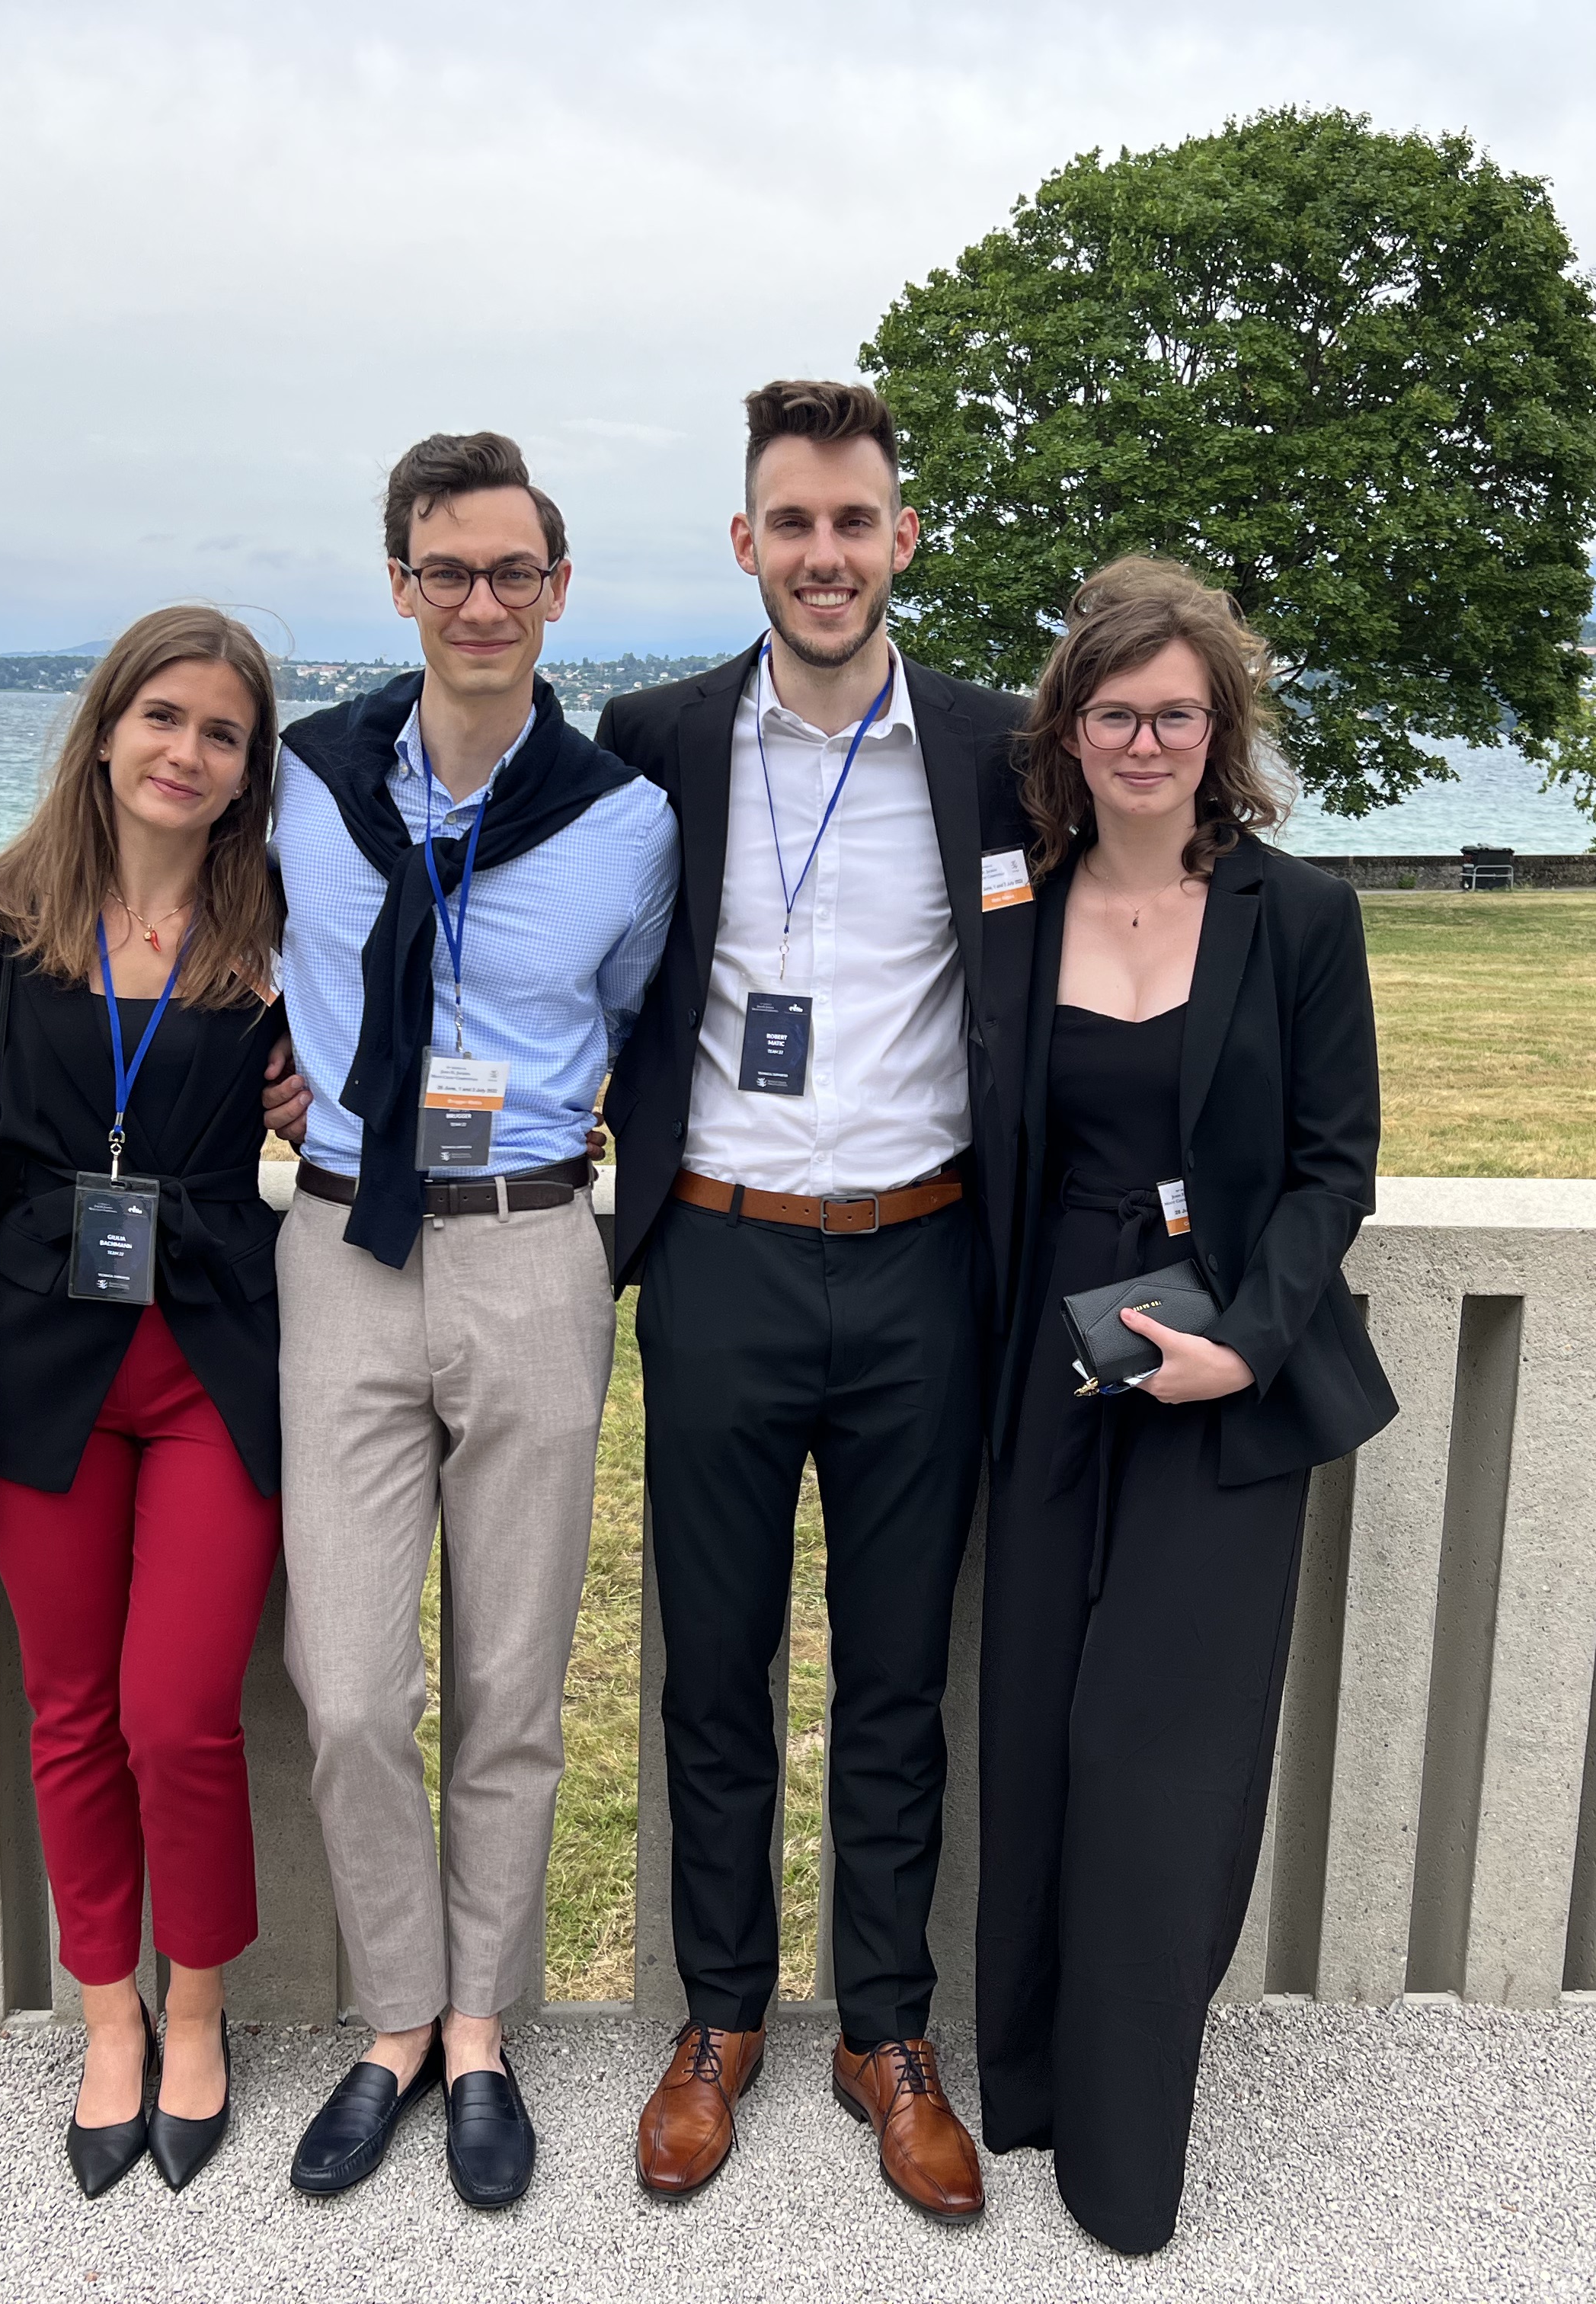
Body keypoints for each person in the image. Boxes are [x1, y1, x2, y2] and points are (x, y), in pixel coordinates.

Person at [593, 380, 1033, 2222]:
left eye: (856, 522)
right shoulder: (653, 739)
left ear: (901, 540)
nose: (825, 554)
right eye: (794, 522)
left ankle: (886, 2031)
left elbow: (1127, 946)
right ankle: (719, 2019)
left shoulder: (1004, 750)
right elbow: (541, 938)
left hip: (928, 1258)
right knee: (714, 1666)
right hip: (721, 1254)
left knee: (895, 1677)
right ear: (746, 543)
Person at [267, 430, 675, 2212]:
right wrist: (271, 1063)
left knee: (512, 1680)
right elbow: (227, 941)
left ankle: (481, 2032)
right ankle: (394, 2020)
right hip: (344, 1247)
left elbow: (637, 1020)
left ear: (557, 590)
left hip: (527, 1250)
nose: (483, 602)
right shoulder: (303, 780)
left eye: (515, 572)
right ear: (401, 586)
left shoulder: (624, 821)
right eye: (450, 571)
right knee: (351, 1687)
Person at [975, 558, 1398, 2254]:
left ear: (1220, 731)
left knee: (1162, 1749)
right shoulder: (1015, 907)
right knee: (1035, 1719)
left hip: (1224, 1361)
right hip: (1044, 1356)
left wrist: (1251, 1344)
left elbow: (1332, 1166)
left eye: (1176, 714)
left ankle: (1126, 2139)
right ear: (1068, 730)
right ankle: (1027, 2083)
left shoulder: (1299, 917)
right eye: (1115, 712)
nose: (1144, 741)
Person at [0, 604, 293, 2202]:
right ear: (109, 729)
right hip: (37, 1365)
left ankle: (197, 2007)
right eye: (164, 718)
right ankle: (108, 2015)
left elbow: (366, 1073)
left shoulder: (277, 927)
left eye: (222, 734)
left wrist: (316, 1082)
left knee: (176, 1713)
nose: (187, 753)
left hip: (212, 1364)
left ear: (250, 769)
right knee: (69, 1712)